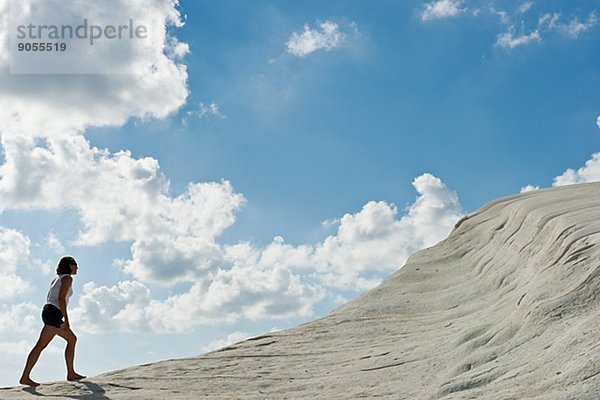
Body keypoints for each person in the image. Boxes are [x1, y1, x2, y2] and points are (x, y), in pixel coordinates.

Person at [20, 256, 86, 387]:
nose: (77, 267)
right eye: (75, 264)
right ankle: (25, 377)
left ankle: (70, 373)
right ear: (69, 265)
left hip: (49, 311)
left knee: (70, 340)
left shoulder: (56, 279)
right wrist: (66, 320)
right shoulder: (67, 278)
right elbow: (61, 298)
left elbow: (51, 297)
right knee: (42, 345)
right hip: (54, 313)